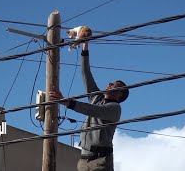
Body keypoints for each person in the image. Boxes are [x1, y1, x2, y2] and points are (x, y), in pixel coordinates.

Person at [49, 42, 129, 171]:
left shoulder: (115, 108)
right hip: (84, 159)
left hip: (100, 160)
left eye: (115, 84)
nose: (109, 84)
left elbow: (93, 110)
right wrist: (85, 47)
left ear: (120, 94)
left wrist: (68, 102)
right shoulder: (96, 98)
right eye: (111, 82)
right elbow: (86, 73)